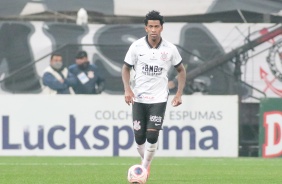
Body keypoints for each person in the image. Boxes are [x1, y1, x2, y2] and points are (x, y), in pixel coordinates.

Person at [121, 10, 186, 178]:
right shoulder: (136, 47)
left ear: (162, 28)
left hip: (159, 98)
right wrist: (127, 89)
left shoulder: (170, 49)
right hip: (139, 97)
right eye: (151, 26)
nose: (154, 30)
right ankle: (145, 166)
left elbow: (181, 70)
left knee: (152, 134)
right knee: (139, 137)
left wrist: (179, 94)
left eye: (157, 26)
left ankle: (143, 170)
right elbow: (126, 68)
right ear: (146, 28)